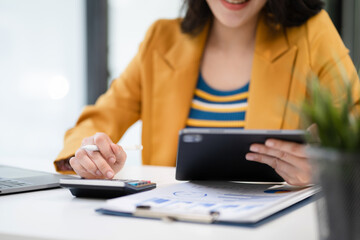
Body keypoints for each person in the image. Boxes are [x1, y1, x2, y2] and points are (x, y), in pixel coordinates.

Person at [54, 0, 360, 186]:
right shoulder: (161, 39)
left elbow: (354, 117)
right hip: (168, 222)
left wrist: (326, 163)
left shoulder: (312, 33)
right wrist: (88, 154)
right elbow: (102, 116)